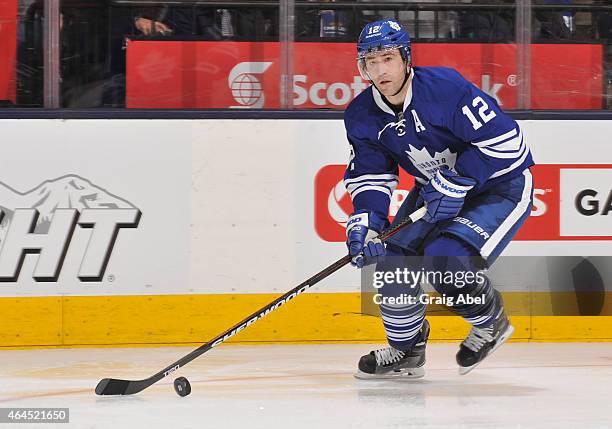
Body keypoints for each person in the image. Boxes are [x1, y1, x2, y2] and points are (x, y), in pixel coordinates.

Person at [343, 19, 534, 378]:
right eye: (371, 61)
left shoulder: (445, 88)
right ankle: (406, 350)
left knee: (445, 259)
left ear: (405, 57)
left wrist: (459, 180)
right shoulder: (360, 115)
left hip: (498, 187)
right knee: (393, 263)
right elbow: (372, 175)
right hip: (433, 190)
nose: (380, 70)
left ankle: (491, 322)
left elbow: (510, 142)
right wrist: (367, 223)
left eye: (387, 58)